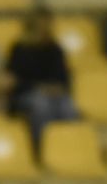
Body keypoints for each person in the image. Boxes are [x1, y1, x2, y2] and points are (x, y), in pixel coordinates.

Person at [6, 8, 75, 136]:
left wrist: (57, 88)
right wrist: (39, 87)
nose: (45, 26)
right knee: (41, 104)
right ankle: (42, 144)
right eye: (42, 23)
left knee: (68, 106)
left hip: (53, 93)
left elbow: (63, 77)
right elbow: (15, 79)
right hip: (26, 94)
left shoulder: (55, 48)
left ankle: (68, 143)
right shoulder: (20, 48)